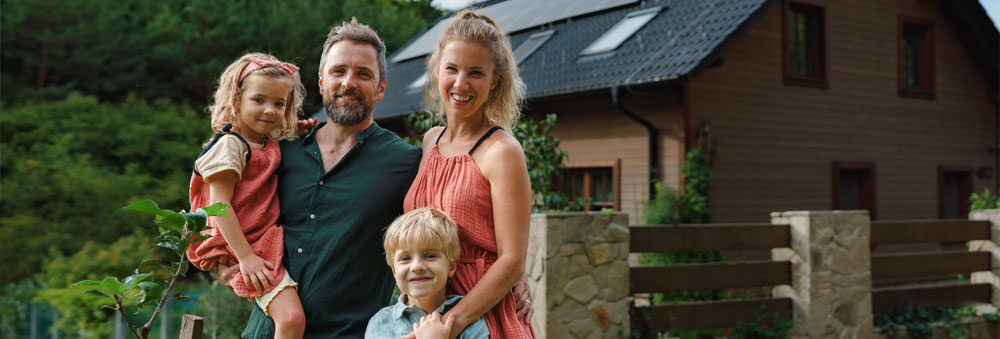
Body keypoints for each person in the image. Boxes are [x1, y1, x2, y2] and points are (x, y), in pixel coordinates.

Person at [230, 18, 424, 338]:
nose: (349, 82)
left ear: (381, 88)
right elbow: (224, 209)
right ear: (321, 82)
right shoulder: (280, 152)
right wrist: (229, 264)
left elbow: (442, 237)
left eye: (363, 74)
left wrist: (515, 277)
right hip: (266, 331)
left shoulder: (404, 162)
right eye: (338, 71)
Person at [403, 10, 535, 338]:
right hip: (426, 312)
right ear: (437, 71)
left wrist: (450, 324)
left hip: (481, 317)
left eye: (475, 72)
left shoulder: (501, 151)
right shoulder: (430, 141)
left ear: (495, 82)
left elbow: (512, 261)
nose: (461, 83)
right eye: (452, 69)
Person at [186, 53, 307, 338]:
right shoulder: (231, 145)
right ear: (236, 99)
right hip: (243, 246)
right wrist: (246, 257)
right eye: (259, 100)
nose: (269, 111)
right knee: (290, 319)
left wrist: (298, 131)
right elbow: (218, 206)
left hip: (257, 240)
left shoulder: (265, 142)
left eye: (279, 104)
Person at [365, 207, 489, 339]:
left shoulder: (470, 318)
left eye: (430, 256)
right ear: (395, 272)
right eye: (405, 258)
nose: (417, 267)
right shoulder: (381, 323)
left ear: (451, 267)